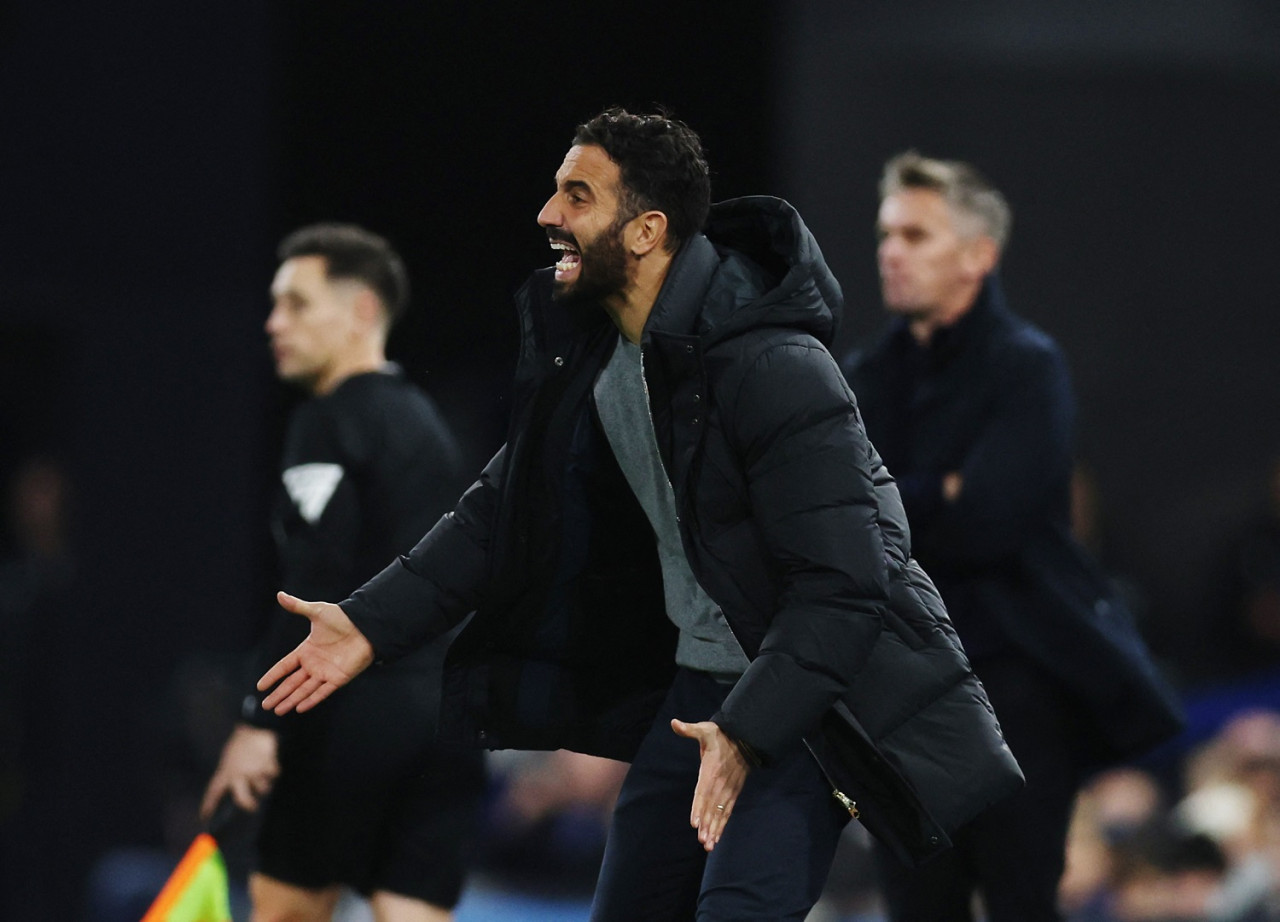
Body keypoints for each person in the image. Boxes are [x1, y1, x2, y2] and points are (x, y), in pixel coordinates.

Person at [254, 110, 1023, 921]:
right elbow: (500, 514)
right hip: (699, 695)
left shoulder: (777, 366)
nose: (548, 215)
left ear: (648, 229)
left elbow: (846, 585)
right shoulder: (598, 354)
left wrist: (749, 730)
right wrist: (371, 623)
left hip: (805, 701)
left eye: (577, 196)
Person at [843, 152, 1184, 921]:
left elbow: (992, 517)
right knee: (915, 907)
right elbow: (843, 517)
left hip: (1018, 688)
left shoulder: (1028, 367)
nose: (890, 251)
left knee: (1021, 902)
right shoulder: (864, 375)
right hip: (902, 687)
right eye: (886, 232)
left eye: (916, 235)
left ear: (977, 255)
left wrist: (900, 496)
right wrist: (943, 491)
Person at [199, 223, 486, 922]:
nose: (274, 323)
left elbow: (313, 579)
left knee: (284, 908)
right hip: (451, 723)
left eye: (296, 304)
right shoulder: (429, 424)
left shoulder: (326, 422)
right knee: (411, 911)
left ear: (362, 311)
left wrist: (258, 719)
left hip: (349, 717)